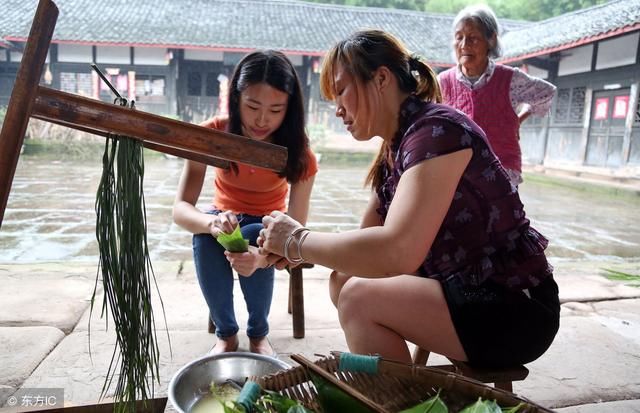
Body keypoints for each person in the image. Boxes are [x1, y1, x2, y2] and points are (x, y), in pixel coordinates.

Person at [258, 29, 559, 368]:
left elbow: (397, 252)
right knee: (344, 280)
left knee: (359, 300)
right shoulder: (396, 148)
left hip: (514, 305)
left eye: (341, 90)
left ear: (382, 79)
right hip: (461, 289)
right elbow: (366, 248)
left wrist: (298, 241)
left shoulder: (437, 131)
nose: (337, 109)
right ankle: (400, 394)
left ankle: (397, 401)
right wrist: (289, 248)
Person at [173, 50, 318, 356]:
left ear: (289, 110)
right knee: (206, 235)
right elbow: (181, 209)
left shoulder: (298, 150)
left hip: (268, 225)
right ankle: (226, 335)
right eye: (253, 106)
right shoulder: (212, 133)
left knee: (255, 232)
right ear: (236, 98)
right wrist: (211, 224)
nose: (262, 120)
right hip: (223, 217)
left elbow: (295, 231)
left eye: (276, 110)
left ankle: (258, 333)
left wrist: (263, 258)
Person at [438, 5, 556, 186]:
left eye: (473, 38)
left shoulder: (509, 79)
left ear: (491, 40)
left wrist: (520, 118)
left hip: (501, 170)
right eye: (459, 37)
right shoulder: (442, 82)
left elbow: (547, 93)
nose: (464, 45)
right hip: (456, 173)